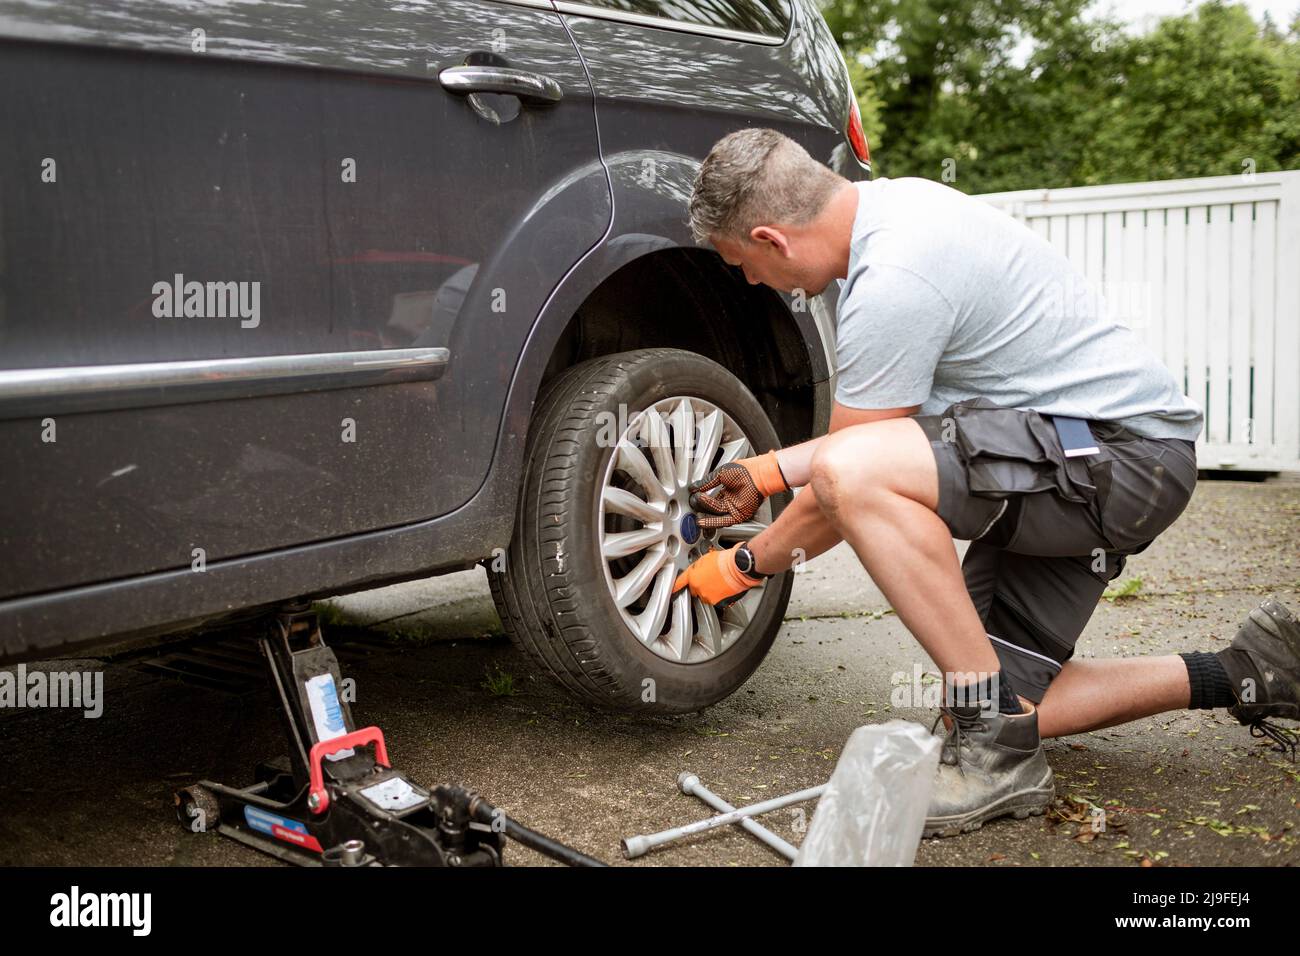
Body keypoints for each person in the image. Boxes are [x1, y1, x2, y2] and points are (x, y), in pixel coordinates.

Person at [671, 128, 1299, 837]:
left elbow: (848, 479)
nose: (753, 282)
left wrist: (749, 561)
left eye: (743, 264)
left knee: (851, 470)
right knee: (992, 709)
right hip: (1072, 463)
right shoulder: (898, 212)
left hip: (1120, 462)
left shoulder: (896, 277)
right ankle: (1251, 668)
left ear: (770, 238)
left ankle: (996, 764)